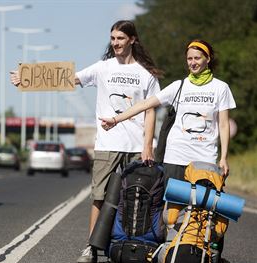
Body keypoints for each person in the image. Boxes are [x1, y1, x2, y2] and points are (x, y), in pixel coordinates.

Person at [10, 20, 162, 263]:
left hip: (136, 146)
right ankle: (92, 247)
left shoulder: (146, 74)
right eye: (112, 38)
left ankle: (133, 244)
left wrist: (147, 145)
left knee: (136, 196)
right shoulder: (103, 68)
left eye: (120, 39)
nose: (115, 43)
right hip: (107, 143)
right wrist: (27, 77)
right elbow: (68, 79)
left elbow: (151, 110)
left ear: (132, 40)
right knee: (99, 196)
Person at [100, 39, 236, 184]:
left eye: (197, 58)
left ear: (207, 59)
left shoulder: (221, 88)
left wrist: (223, 158)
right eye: (189, 59)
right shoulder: (178, 86)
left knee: (202, 205)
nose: (192, 62)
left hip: (205, 157)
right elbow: (145, 104)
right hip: (176, 156)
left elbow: (223, 125)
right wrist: (115, 119)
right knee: (173, 206)